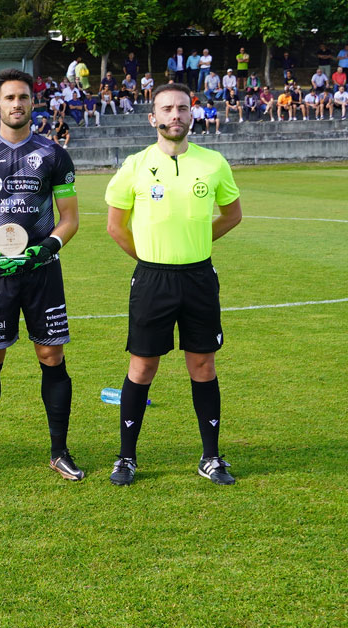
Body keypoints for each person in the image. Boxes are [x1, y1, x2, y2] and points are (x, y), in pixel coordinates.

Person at [104, 82, 242, 486]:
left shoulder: (213, 163)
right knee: (143, 365)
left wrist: (195, 244)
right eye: (166, 109)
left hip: (199, 277)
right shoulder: (134, 165)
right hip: (152, 279)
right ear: (153, 118)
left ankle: (211, 456)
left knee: (203, 363)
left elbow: (232, 214)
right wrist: (151, 256)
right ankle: (126, 458)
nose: (175, 115)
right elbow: (115, 227)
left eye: (182, 107)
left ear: (192, 114)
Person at [0, 68, 83, 482]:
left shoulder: (54, 154)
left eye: (24, 97)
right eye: (9, 98)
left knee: (51, 355)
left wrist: (47, 247)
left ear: (32, 103)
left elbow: (70, 218)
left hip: (42, 271)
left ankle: (59, 451)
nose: (17, 104)